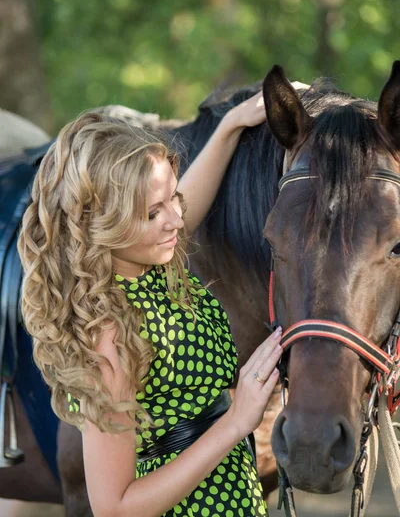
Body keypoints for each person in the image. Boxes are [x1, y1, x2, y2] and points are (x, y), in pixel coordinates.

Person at [18, 90, 283, 517]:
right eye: (152, 213)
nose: (176, 219)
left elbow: (181, 207)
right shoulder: (108, 332)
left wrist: (230, 125)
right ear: (102, 224)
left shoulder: (152, 267)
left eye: (173, 199)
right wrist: (237, 422)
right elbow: (115, 507)